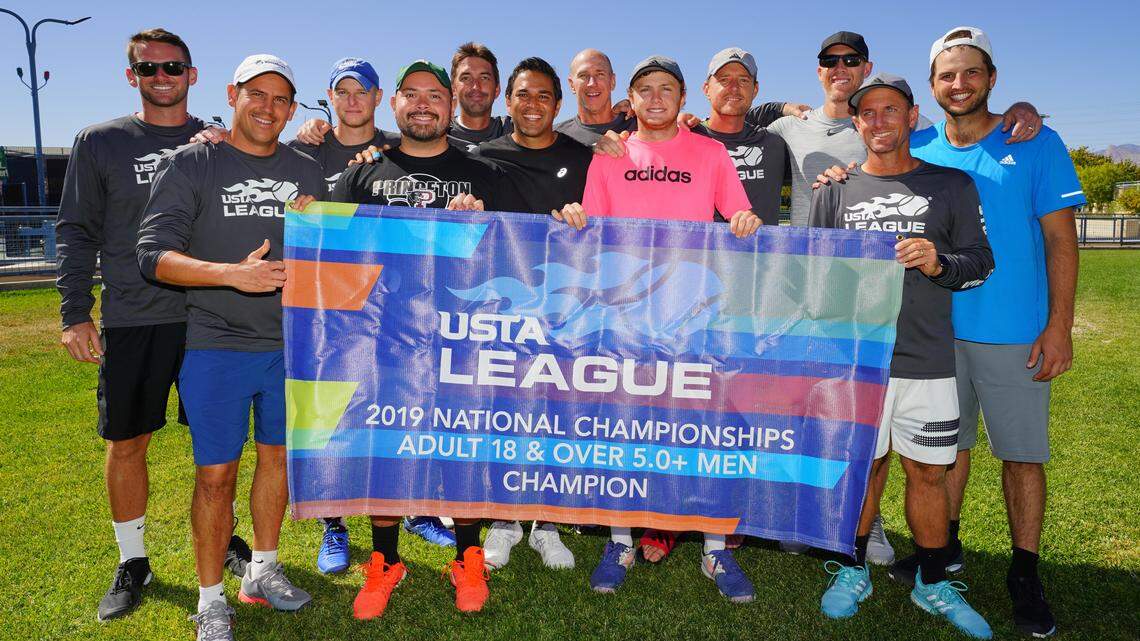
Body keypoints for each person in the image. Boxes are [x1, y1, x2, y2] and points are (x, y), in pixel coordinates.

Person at [55, 28, 248, 623]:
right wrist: (74, 313)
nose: (161, 77)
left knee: (217, 448)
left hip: (210, 316)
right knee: (128, 440)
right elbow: (76, 231)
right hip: (136, 316)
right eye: (148, 69)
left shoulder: (222, 140)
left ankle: (226, 540)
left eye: (173, 67)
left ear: (193, 74)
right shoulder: (100, 142)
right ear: (131, 76)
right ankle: (133, 559)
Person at [902, 28, 1084, 638]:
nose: (959, 84)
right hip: (937, 332)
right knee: (944, 451)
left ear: (991, 78)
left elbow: (1061, 239)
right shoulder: (918, 144)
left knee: (1021, 457)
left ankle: (1024, 572)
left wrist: (1059, 326)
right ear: (931, 86)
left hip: (1014, 332)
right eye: (947, 75)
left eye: (970, 72)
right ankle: (944, 549)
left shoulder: (1033, 140)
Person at [136, 54, 323, 641]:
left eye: (281, 99)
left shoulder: (307, 172)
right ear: (233, 95)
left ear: (292, 109)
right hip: (217, 346)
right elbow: (153, 255)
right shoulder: (194, 164)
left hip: (292, 346)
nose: (268, 108)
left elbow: (334, 248)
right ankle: (211, 596)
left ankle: (262, 570)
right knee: (215, 475)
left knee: (279, 460)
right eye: (256, 95)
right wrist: (228, 274)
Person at [808, 72, 994, 640]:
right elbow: (813, 278)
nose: (879, 121)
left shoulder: (952, 185)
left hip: (926, 359)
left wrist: (938, 262)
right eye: (868, 113)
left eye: (892, 110)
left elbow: (981, 262)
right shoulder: (833, 190)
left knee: (927, 474)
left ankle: (933, 580)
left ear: (913, 117)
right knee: (864, 471)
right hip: (858, 363)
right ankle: (852, 568)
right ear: (856, 122)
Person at [330, 59, 508, 618]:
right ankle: (385, 561)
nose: (424, 104)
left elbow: (518, 255)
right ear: (395, 104)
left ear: (452, 106)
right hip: (384, 339)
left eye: (436, 94)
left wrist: (480, 227)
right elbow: (331, 254)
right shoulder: (365, 172)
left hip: (461, 336)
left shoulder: (486, 172)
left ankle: (469, 555)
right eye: (413, 95)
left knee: (461, 448)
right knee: (385, 449)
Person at [581, 55, 761, 603]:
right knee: (624, 434)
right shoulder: (609, 155)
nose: (656, 98)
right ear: (628, 101)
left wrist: (744, 221)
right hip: (626, 318)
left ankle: (714, 549)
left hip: (692, 320)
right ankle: (620, 541)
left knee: (701, 434)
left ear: (683, 100)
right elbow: (590, 232)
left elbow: (739, 214)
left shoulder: (709, 153)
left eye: (667, 89)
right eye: (644, 90)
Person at [283, 56, 405, 576]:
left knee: (393, 408)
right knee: (325, 415)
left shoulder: (400, 150)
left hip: (391, 304)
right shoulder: (304, 148)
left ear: (380, 98)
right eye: (343, 91)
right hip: (327, 305)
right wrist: (209, 139)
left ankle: (403, 507)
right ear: (329, 97)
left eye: (363, 91)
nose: (353, 100)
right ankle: (334, 525)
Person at [470, 56, 591, 570]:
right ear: (508, 101)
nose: (534, 104)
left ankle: (546, 522)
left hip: (565, 310)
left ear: (558, 105)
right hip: (502, 310)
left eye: (544, 95)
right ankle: (503, 520)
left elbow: (607, 224)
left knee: (553, 416)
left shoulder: (584, 158)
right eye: (524, 94)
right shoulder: (480, 156)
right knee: (503, 413)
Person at [770, 30, 1042, 228]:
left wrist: (1020, 108)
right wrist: (777, 107)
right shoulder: (790, 127)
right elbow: (736, 132)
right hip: (811, 264)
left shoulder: (908, 127)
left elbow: (963, 128)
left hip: (890, 270)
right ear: (819, 71)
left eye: (851, 60)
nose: (840, 68)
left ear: (867, 69)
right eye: (830, 62)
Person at [558, 48, 806, 147]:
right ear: (571, 84)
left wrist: (780, 107)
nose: (592, 83)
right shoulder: (558, 137)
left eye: (600, 74)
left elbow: (735, 116)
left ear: (612, 81)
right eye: (583, 76)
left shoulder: (651, 123)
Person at [694, 47, 789, 225]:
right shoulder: (686, 138)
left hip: (760, 252)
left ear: (755, 89)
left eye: (744, 80)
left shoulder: (775, 144)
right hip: (699, 252)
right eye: (724, 80)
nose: (734, 88)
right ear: (706, 89)